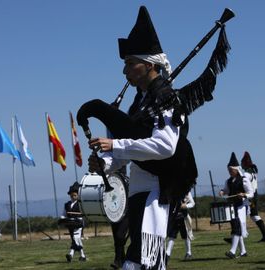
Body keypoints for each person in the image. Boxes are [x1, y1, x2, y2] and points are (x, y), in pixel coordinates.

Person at [84, 6, 197, 270]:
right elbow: (135, 149)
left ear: (147, 65)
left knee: (141, 261)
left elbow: (165, 146)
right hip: (139, 192)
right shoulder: (141, 103)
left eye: (129, 64)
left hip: (157, 193)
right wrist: (108, 164)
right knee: (147, 262)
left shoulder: (166, 98)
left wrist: (114, 145)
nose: (125, 71)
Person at [219, 152, 253, 259]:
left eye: (231, 170)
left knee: (238, 227)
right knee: (235, 227)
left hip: (241, 206)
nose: (229, 172)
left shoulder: (244, 179)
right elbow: (226, 190)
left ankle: (232, 251)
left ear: (236, 169)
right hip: (232, 207)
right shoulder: (228, 181)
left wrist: (243, 194)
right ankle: (243, 252)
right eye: (228, 170)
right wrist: (222, 192)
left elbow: (251, 193)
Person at [241, 151, 265, 242]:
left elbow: (245, 186)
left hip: (249, 197)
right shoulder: (253, 172)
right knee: (254, 215)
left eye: (242, 163)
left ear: (244, 164)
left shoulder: (246, 174)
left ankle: (237, 236)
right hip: (254, 196)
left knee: (241, 215)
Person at [165, 191, 195, 264]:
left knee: (186, 235)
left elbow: (192, 203)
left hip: (183, 217)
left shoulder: (186, 192)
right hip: (174, 217)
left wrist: (186, 206)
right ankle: (167, 254)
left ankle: (188, 253)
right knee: (172, 236)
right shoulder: (171, 191)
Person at [63, 182, 86, 263]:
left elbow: (83, 214)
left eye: (75, 195)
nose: (73, 197)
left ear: (78, 195)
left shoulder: (81, 204)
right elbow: (64, 214)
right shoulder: (67, 204)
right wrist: (62, 219)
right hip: (70, 224)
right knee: (75, 240)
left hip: (78, 223)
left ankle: (71, 254)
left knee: (76, 238)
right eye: (72, 195)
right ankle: (82, 256)